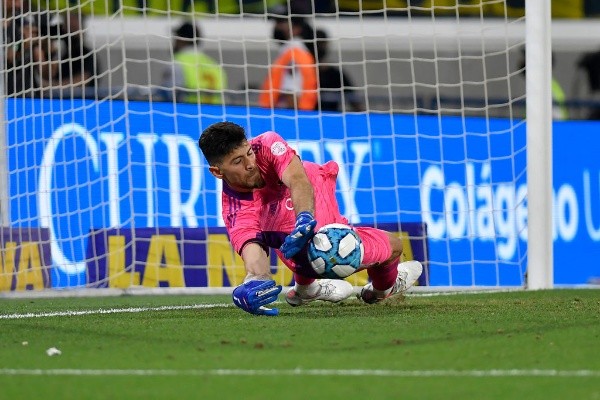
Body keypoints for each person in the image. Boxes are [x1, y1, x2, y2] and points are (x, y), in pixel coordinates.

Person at [197, 121, 423, 316]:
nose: (250, 164)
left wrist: (304, 217)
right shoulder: (237, 212)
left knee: (320, 228)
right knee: (390, 246)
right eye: (237, 162)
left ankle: (310, 290)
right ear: (217, 172)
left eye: (248, 153)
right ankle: (379, 291)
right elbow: (254, 257)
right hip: (305, 250)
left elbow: (297, 178)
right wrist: (255, 282)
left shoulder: (266, 143)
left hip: (315, 191)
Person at [258, 9, 317, 110]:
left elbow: (291, 91)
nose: (276, 27)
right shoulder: (294, 51)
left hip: (286, 115)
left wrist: (289, 118)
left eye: (281, 23)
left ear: (296, 28)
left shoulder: (294, 52)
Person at [162, 21, 228, 104]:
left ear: (181, 40)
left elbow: (169, 95)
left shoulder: (177, 63)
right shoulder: (215, 65)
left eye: (175, 39)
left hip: (187, 113)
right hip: (214, 114)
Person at [314, 28, 365, 112]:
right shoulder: (301, 72)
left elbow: (355, 102)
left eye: (321, 44)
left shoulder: (335, 74)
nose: (319, 48)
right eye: (317, 44)